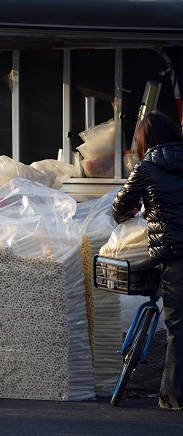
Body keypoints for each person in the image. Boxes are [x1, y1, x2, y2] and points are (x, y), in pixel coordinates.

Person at [112, 110, 183, 411]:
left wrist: (128, 213)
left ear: (144, 140)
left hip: (175, 257)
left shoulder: (146, 167)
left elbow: (120, 206)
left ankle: (172, 397)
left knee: (178, 328)